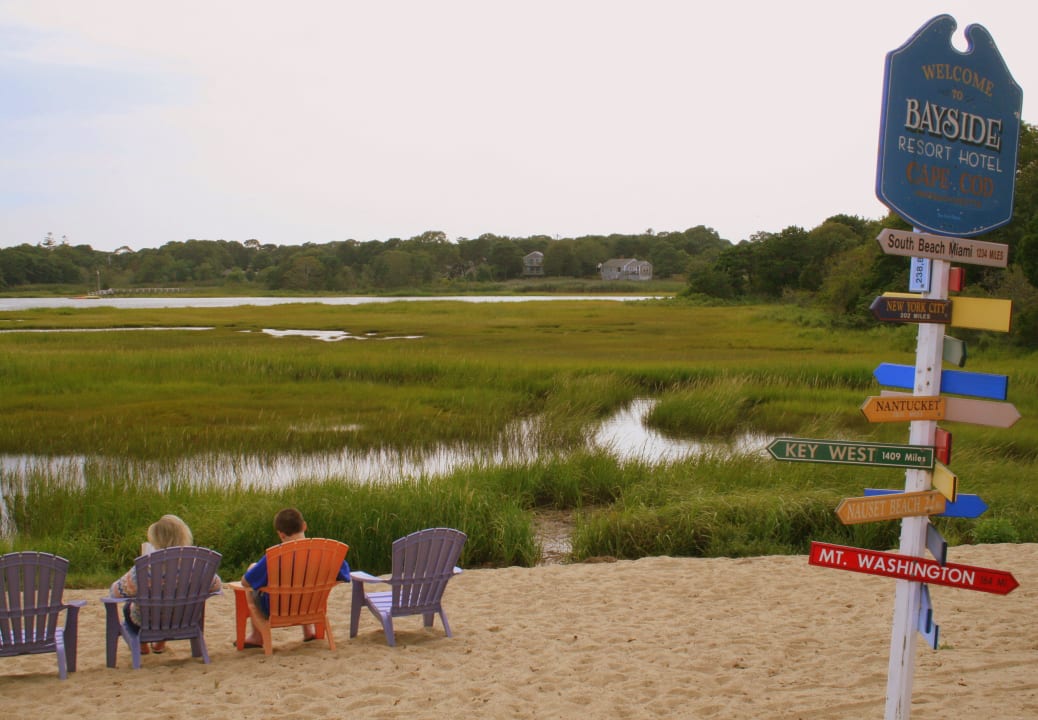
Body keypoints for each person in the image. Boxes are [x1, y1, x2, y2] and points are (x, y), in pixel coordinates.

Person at [110, 514, 222, 655]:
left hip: (147, 623)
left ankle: (142, 644)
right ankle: (160, 643)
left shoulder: (146, 567)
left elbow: (116, 592)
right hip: (184, 619)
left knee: (129, 607)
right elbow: (216, 585)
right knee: (171, 606)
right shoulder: (197, 565)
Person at [240, 507, 350, 647]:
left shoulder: (275, 556)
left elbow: (246, 582)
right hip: (312, 606)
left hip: (277, 609)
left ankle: (257, 636)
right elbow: (344, 575)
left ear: (281, 534)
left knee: (251, 586)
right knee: (305, 579)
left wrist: (251, 569)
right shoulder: (325, 552)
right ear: (304, 526)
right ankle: (308, 631)